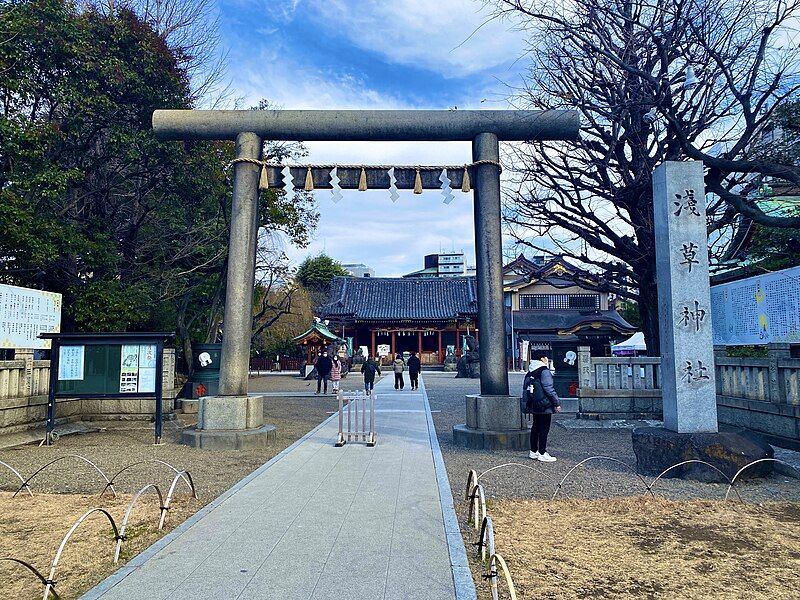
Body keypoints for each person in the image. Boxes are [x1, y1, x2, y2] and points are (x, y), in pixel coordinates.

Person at [523, 351, 562, 462]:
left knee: (535, 427)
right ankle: (542, 452)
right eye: (546, 358)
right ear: (542, 358)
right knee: (544, 428)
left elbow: (525, 388)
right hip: (544, 404)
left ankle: (533, 451)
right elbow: (549, 389)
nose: (547, 360)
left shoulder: (530, 370)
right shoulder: (544, 371)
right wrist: (556, 403)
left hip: (534, 403)